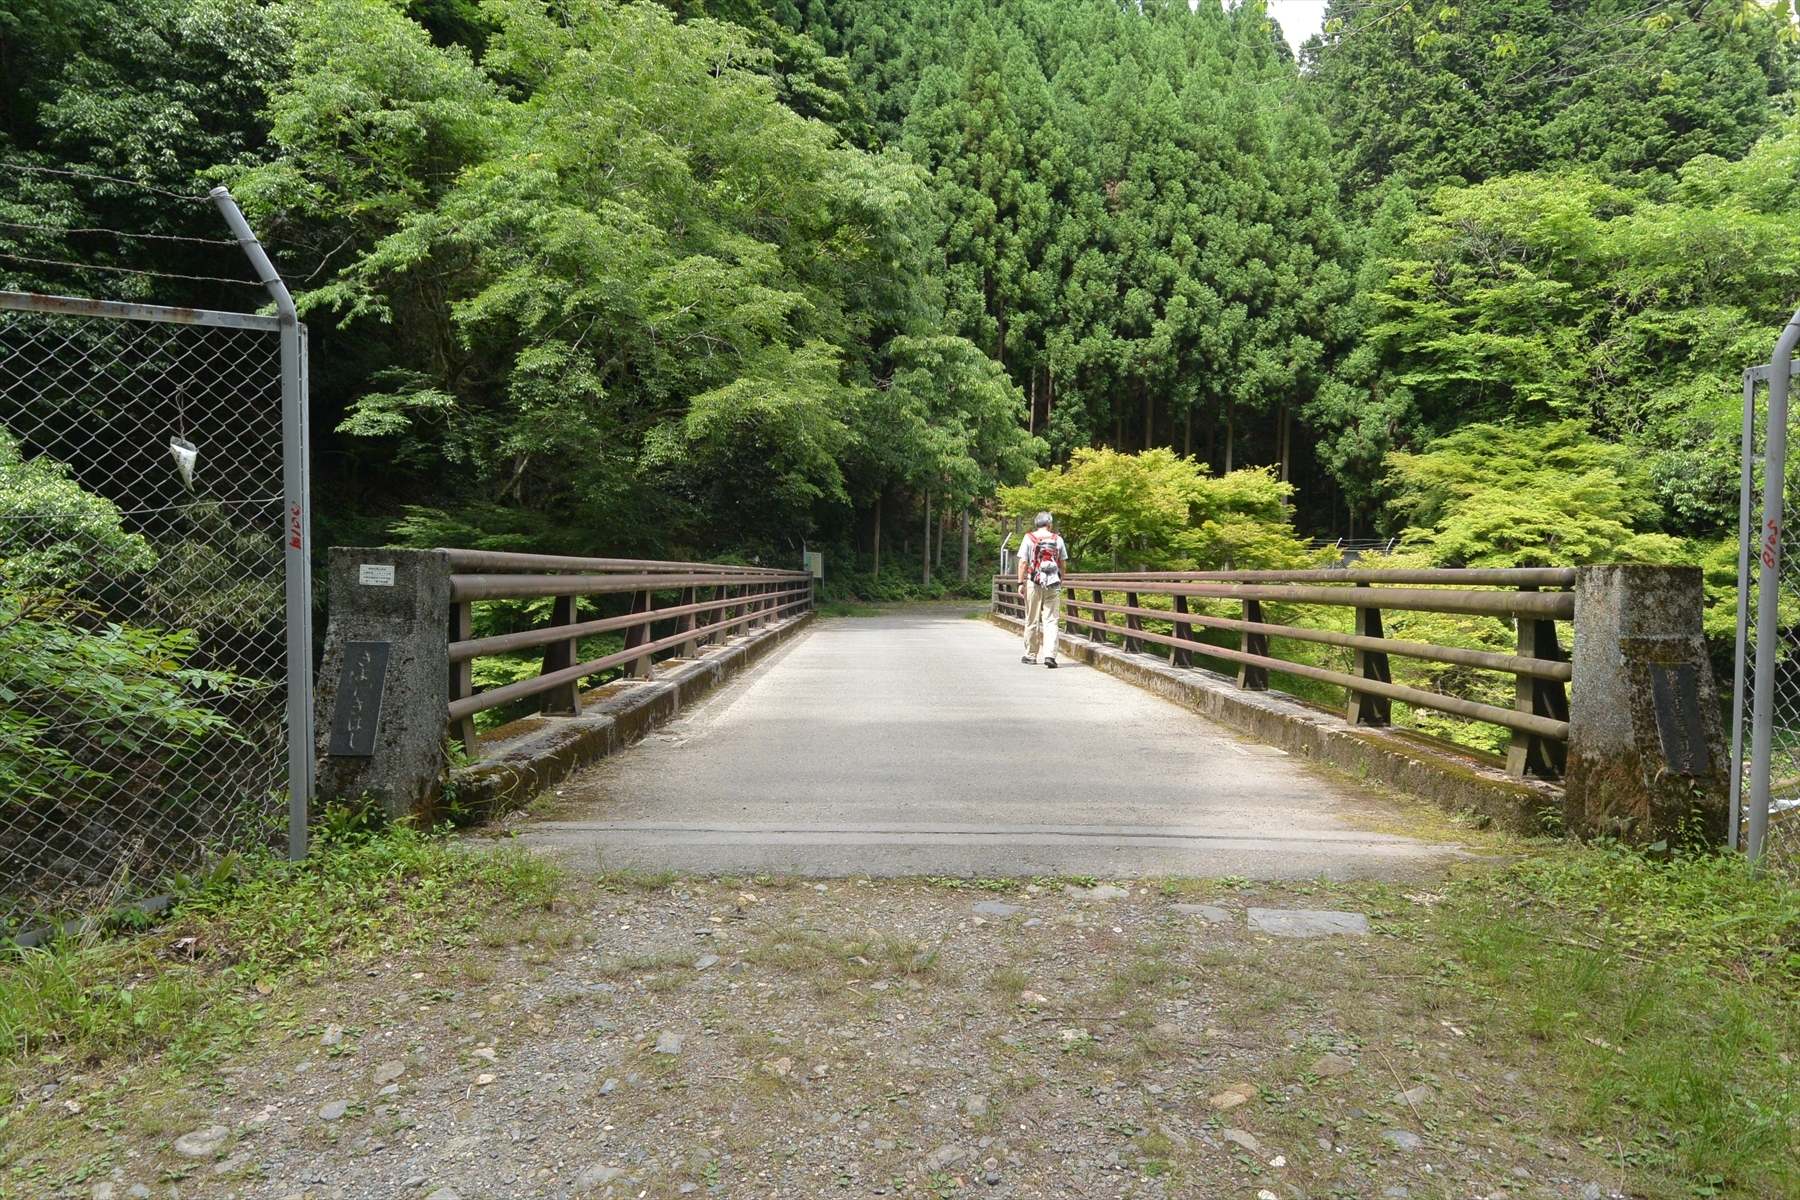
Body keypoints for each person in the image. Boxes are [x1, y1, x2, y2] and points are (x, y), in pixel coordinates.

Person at [1016, 511, 1068, 668]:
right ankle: (1050, 656)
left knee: (1032, 618)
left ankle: (1031, 655)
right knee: (1051, 620)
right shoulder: (1057, 539)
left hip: (1034, 582)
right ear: (1049, 524)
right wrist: (1061, 580)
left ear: (1036, 524)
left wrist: (1020, 583)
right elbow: (1063, 564)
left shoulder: (1029, 538)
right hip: (1052, 583)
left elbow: (1023, 563)